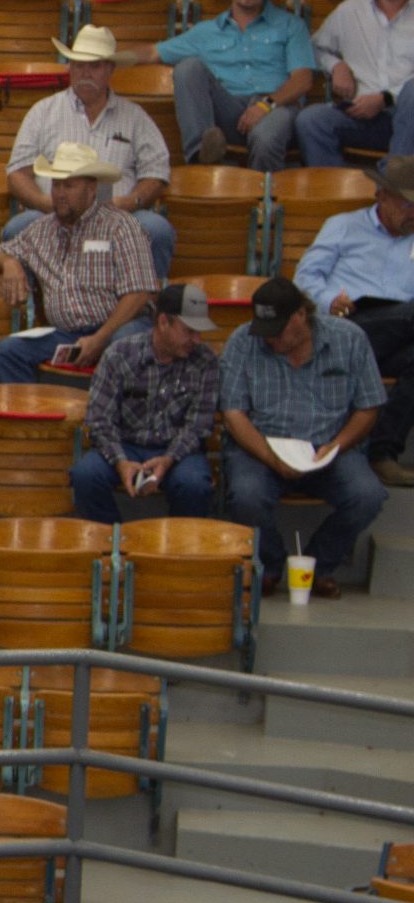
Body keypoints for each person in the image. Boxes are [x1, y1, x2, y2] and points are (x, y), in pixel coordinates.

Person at [218, 277, 387, 599]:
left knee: (368, 494)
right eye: (265, 330)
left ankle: (317, 566)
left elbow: (369, 406)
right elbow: (234, 414)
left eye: (278, 330)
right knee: (246, 495)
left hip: (329, 445)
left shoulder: (349, 339)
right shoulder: (243, 341)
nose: (269, 339)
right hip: (262, 447)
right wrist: (271, 458)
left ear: (300, 315)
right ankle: (268, 565)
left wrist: (335, 446)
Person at [2, 25, 177, 280]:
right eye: (78, 65)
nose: (85, 73)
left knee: (158, 230)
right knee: (16, 229)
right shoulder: (43, 112)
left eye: (94, 66)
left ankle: (145, 304)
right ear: (70, 67)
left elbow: (157, 172)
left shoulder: (135, 117)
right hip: (54, 214)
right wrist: (45, 204)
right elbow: (17, 172)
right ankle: (35, 310)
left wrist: (130, 202)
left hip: (116, 216)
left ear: (110, 69)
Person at [123, 0, 314, 170]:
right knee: (188, 68)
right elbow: (152, 53)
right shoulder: (206, 31)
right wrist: (103, 57)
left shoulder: (291, 25)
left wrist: (265, 105)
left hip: (275, 108)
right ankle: (201, 159)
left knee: (265, 138)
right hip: (229, 110)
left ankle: (262, 199)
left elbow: (303, 80)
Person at [0, 142, 157, 385]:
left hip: (118, 327)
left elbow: (140, 293)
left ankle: (110, 420)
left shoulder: (121, 226)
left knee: (125, 345)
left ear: (91, 189)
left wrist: (100, 338)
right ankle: (35, 417)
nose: (59, 193)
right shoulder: (40, 230)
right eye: (56, 185)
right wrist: (10, 262)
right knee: (6, 353)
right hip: (66, 334)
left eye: (69, 185)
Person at [294, 153, 414, 486]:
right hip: (347, 324)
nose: (413, 213)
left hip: (398, 333)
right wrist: (331, 303)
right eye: (407, 205)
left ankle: (382, 452)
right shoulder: (344, 226)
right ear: (382, 196)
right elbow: (304, 278)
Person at [67, 283, 222, 524]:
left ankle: (178, 551)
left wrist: (169, 458)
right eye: (189, 330)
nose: (197, 339)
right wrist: (120, 462)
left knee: (194, 484)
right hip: (126, 445)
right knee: (85, 475)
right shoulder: (119, 354)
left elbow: (197, 426)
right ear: (163, 322)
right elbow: (100, 420)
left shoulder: (206, 362)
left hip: (178, 450)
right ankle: (113, 543)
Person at [302, 0, 414, 168]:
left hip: (408, 114)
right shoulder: (350, 10)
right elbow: (313, 47)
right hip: (362, 114)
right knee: (310, 120)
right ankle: (336, 195)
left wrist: (385, 98)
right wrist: (337, 66)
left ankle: (393, 185)